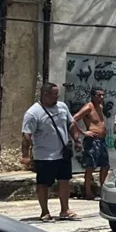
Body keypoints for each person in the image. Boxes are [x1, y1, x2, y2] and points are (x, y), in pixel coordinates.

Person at [22, 82, 81, 222]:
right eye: (55, 94)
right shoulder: (33, 113)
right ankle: (45, 212)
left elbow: (71, 123)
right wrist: (25, 155)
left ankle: (65, 210)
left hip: (63, 152)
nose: (57, 97)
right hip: (44, 155)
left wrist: (77, 140)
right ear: (45, 95)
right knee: (43, 184)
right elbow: (26, 135)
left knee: (64, 181)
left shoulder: (62, 106)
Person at [72, 88, 110, 200]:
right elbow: (73, 119)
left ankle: (102, 190)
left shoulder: (100, 107)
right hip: (92, 140)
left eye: (103, 95)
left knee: (105, 165)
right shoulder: (88, 107)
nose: (101, 97)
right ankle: (87, 192)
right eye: (99, 95)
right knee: (90, 167)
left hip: (102, 140)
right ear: (93, 96)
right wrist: (83, 132)